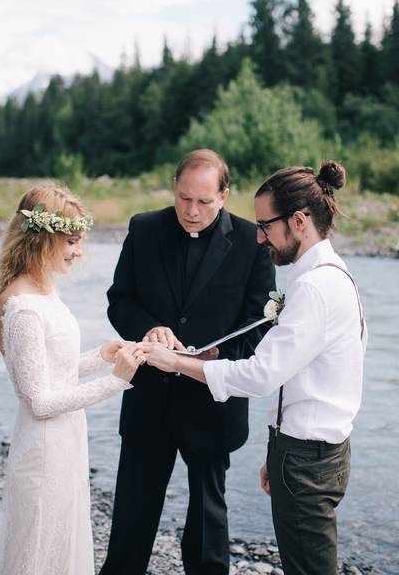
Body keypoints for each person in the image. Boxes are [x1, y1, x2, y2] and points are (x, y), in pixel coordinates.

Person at [141, 161, 367, 575]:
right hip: (304, 450)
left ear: (299, 221)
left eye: (265, 225)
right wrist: (277, 449)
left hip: (307, 456)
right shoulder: (327, 275)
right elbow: (299, 376)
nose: (258, 236)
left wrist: (177, 363)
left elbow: (262, 375)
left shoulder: (316, 288)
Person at [99, 149, 276, 575]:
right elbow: (118, 301)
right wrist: (151, 328)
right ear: (174, 190)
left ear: (224, 195)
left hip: (212, 401)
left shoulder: (253, 243)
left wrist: (218, 357)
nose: (192, 211)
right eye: (183, 199)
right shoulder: (144, 229)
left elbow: (260, 325)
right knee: (132, 517)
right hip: (148, 401)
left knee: (207, 520)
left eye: (203, 201)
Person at [0, 184, 145, 575]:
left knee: (59, 544)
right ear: (42, 238)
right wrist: (116, 382)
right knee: (38, 546)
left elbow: (54, 369)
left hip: (65, 442)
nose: (79, 252)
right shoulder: (23, 308)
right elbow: (38, 400)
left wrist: (102, 357)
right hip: (43, 450)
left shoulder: (44, 289)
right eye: (72, 241)